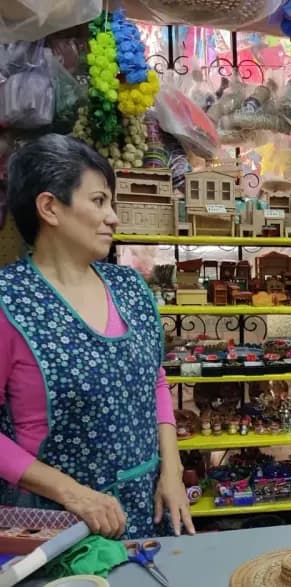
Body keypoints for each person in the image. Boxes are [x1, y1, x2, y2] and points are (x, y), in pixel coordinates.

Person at [0, 134, 195, 539]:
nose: (114, 217)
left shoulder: (129, 288)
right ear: (50, 207)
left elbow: (154, 380)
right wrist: (74, 494)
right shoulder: (9, 302)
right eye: (99, 201)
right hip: (56, 523)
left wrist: (171, 470)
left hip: (146, 508)